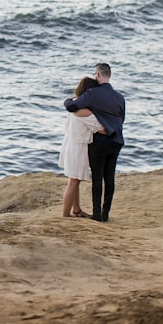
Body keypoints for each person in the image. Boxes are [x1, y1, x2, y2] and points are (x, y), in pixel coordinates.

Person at [64, 63, 126, 222]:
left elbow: (72, 106)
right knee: (110, 177)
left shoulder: (92, 93)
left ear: (98, 75)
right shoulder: (120, 97)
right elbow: (121, 119)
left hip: (100, 142)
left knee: (97, 178)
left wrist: (68, 99)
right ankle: (106, 213)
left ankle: (97, 214)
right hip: (116, 141)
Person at [59, 76, 105, 218]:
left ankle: (76, 210)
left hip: (70, 142)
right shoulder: (85, 112)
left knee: (74, 180)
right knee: (73, 182)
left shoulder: (73, 103)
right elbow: (101, 129)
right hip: (78, 147)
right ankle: (66, 215)